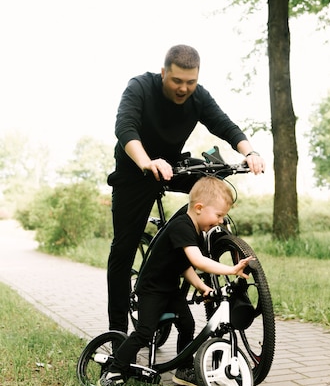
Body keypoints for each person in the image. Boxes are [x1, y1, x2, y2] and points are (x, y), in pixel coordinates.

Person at [107, 44, 265, 334]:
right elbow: (125, 127)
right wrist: (146, 161)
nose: (183, 89)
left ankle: (201, 242)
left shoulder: (198, 96)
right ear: (164, 72)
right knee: (123, 249)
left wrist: (250, 152)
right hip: (134, 172)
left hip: (171, 167)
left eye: (190, 82)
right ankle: (117, 333)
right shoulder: (140, 87)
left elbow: (225, 125)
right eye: (177, 81)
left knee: (211, 181)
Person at [98, 176, 254, 386]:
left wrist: (201, 287)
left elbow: (185, 266)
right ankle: (113, 371)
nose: (220, 221)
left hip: (170, 289)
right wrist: (230, 270)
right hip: (152, 289)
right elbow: (198, 261)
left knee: (187, 324)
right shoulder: (181, 225)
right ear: (199, 208)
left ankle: (183, 370)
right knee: (144, 332)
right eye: (218, 215)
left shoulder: (196, 231)